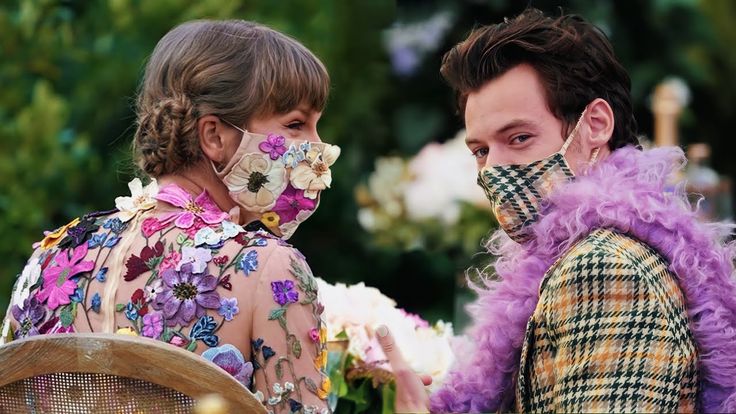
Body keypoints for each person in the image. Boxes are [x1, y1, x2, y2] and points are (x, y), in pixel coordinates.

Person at [380, 8, 736, 413]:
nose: (493, 169)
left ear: (596, 124)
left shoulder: (602, 269)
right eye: (480, 151)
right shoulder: (605, 251)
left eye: (518, 137)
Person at [0, 20, 338, 414]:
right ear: (214, 136)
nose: (319, 147)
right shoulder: (269, 266)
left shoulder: (51, 256)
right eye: (296, 125)